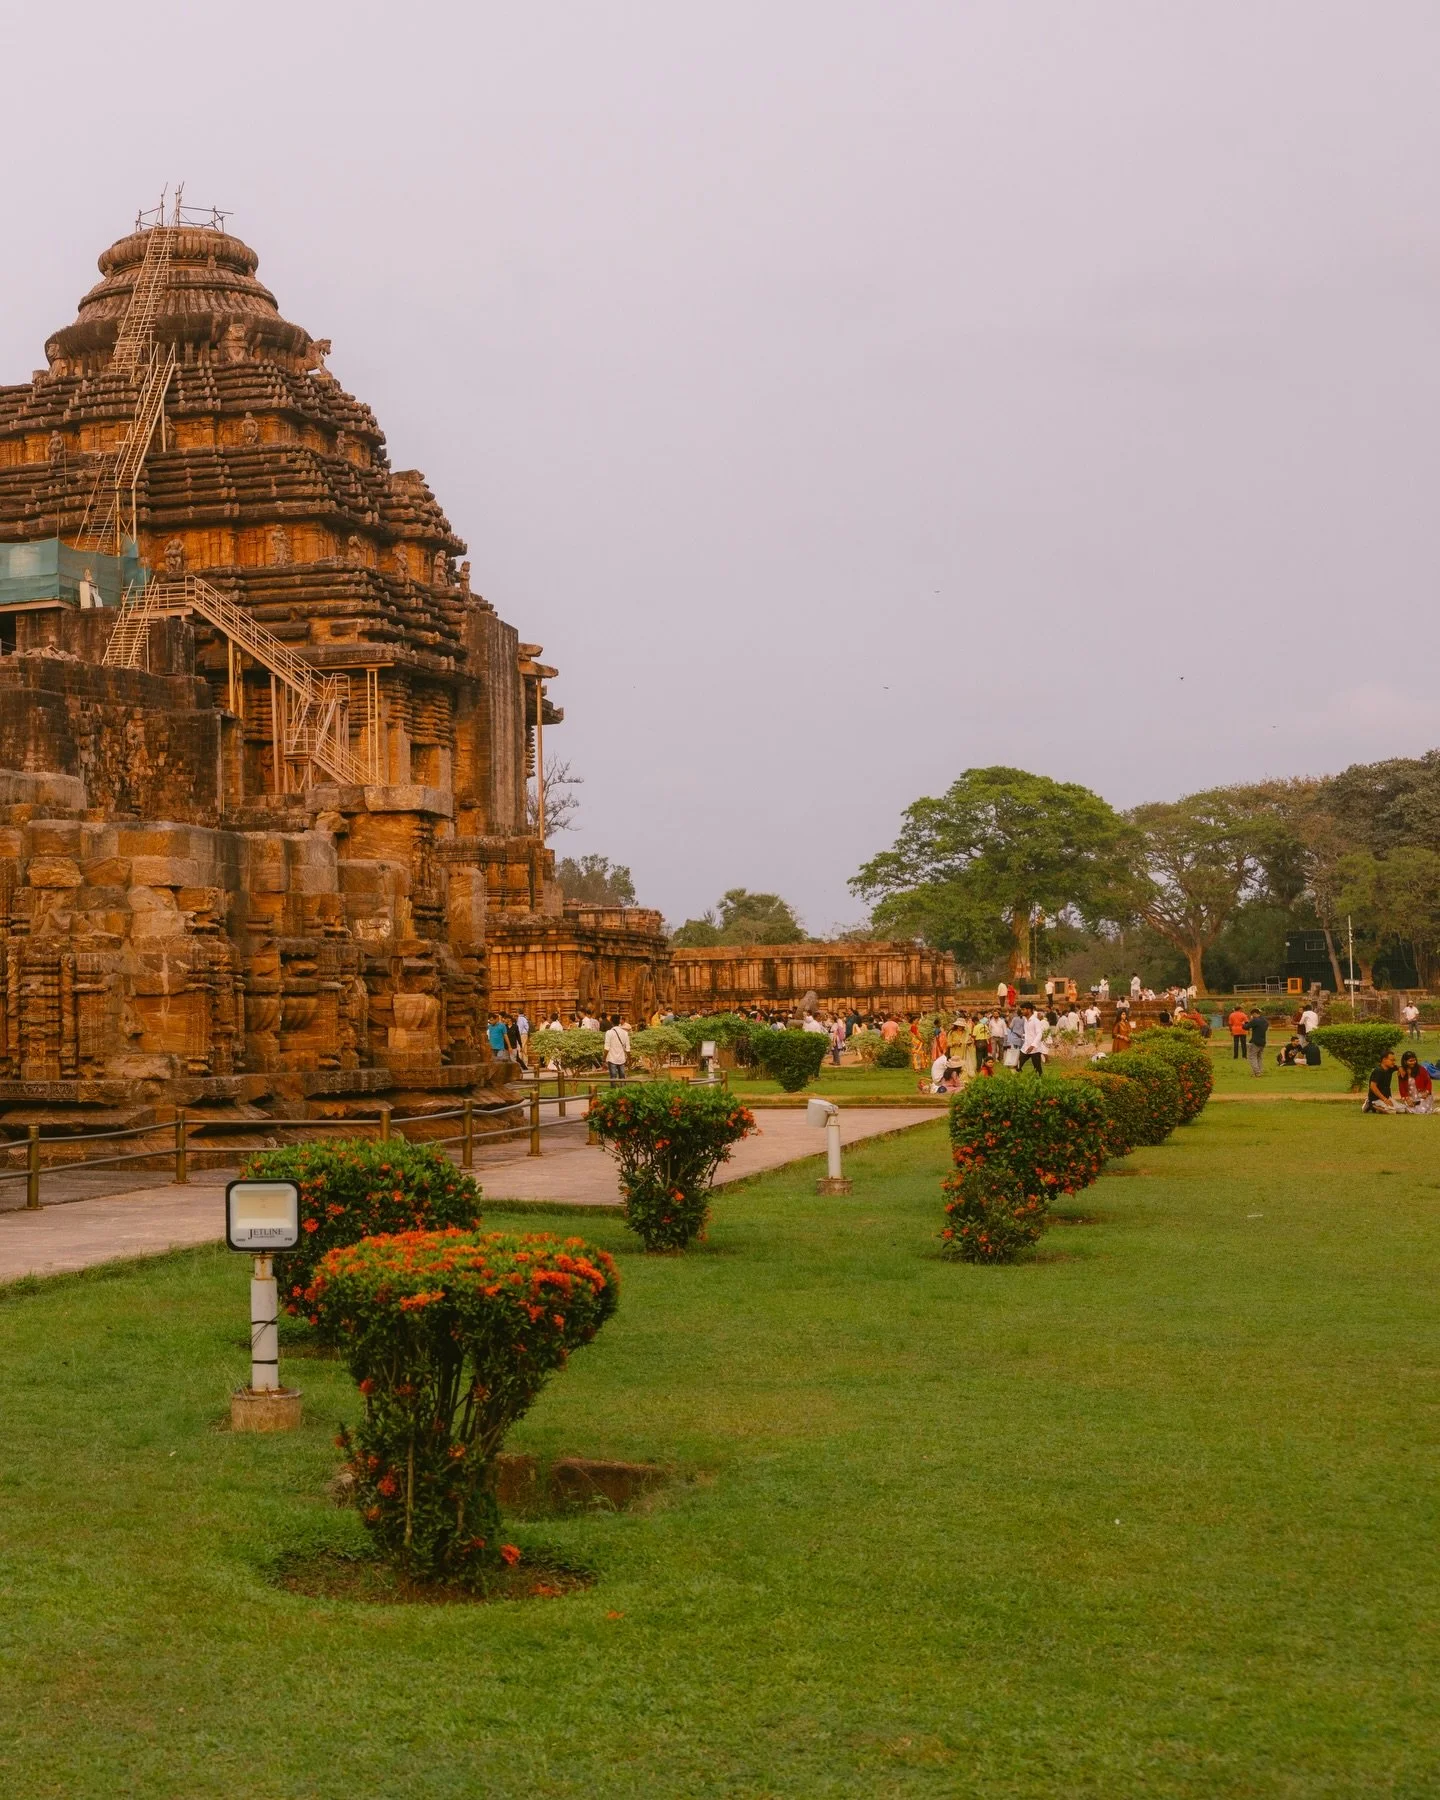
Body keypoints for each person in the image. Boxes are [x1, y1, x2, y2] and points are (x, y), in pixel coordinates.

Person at [1018, 1002, 1047, 1076]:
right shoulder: (1025, 1020)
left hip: (1035, 1049)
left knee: (1037, 1069)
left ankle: (1040, 1082)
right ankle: (1018, 1079)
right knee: (1017, 1064)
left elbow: (1039, 1034)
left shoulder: (1035, 1021)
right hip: (1026, 1047)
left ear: (1029, 1010)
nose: (1022, 1011)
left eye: (1023, 1009)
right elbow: (1029, 1033)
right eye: (1021, 1010)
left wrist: (1033, 1045)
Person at [603, 1015, 630, 1084]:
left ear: (611, 1022)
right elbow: (628, 1049)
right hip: (621, 1058)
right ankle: (623, 1090)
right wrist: (629, 1058)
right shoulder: (625, 1033)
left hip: (612, 1058)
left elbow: (606, 1048)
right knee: (622, 1077)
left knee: (613, 1077)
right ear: (619, 1022)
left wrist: (604, 1059)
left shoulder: (609, 1033)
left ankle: (613, 1091)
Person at [1245, 1007, 1269, 1077]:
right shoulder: (1265, 1020)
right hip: (1263, 1041)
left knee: (1252, 1057)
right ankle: (1259, 1071)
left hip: (1255, 1041)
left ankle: (1257, 1072)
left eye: (1252, 1015)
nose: (1252, 1016)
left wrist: (1245, 1023)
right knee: (1259, 1057)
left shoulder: (1255, 1020)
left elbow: (1246, 1027)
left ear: (1255, 1013)